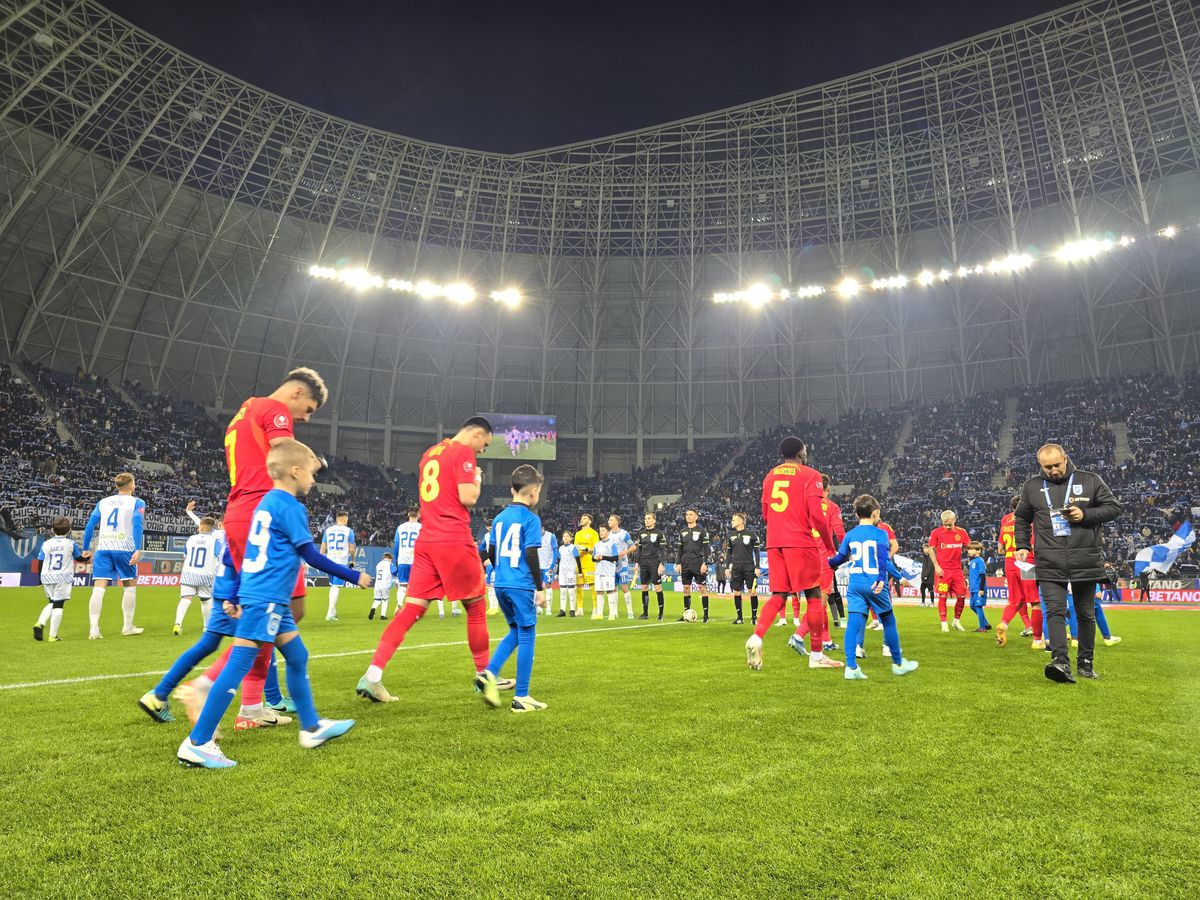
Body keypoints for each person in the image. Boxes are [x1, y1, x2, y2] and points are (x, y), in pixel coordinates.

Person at [176, 440, 369, 768]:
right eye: (310, 472)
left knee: (297, 655)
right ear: (294, 472)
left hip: (267, 598)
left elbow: (246, 554)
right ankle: (198, 742)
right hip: (267, 599)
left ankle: (311, 726)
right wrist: (353, 576)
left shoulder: (264, 503)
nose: (313, 479)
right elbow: (309, 555)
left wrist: (237, 595)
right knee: (239, 662)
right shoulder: (290, 507)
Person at [174, 368, 328, 727]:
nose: (305, 417)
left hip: (242, 514)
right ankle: (207, 685)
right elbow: (284, 455)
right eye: (308, 408)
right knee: (285, 610)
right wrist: (314, 464)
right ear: (296, 393)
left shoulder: (243, 413)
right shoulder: (273, 410)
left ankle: (251, 706)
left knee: (275, 612)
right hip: (265, 518)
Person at [357, 417, 498, 703]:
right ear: (478, 433)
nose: (483, 450)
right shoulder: (463, 452)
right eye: (485, 443)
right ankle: (485, 675)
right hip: (453, 538)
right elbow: (468, 497)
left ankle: (372, 676)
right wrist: (478, 477)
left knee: (411, 610)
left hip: (427, 540)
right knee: (476, 607)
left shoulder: (430, 454)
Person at [1014, 442, 1122, 683]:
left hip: (1085, 558)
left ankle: (1086, 663)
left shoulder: (1090, 480)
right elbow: (1021, 518)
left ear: (1065, 459)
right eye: (1047, 467)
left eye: (1056, 465)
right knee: (1054, 610)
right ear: (1040, 465)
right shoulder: (1031, 487)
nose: (1053, 470)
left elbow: (1114, 508)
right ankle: (1060, 662)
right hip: (1049, 560)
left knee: (1085, 613)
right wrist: (1021, 545)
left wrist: (1085, 515)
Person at [745, 436, 841, 670]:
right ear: (800, 453)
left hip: (774, 542)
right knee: (814, 595)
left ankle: (756, 637)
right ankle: (817, 656)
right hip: (800, 541)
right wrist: (830, 548)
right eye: (805, 451)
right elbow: (818, 517)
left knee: (779, 595)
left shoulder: (770, 476)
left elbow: (766, 513)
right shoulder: (810, 475)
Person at [477, 465, 549, 712]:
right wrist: (540, 587)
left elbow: (491, 552)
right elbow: (531, 553)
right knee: (528, 634)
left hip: (501, 583)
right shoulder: (531, 519)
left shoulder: (499, 518)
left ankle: (490, 673)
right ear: (533, 492)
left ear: (512, 490)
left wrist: (502, 573)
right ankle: (522, 697)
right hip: (521, 584)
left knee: (515, 632)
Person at [826, 494, 919, 679]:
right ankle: (898, 663)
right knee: (889, 621)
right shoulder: (881, 533)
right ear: (875, 513)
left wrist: (827, 562)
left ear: (857, 513)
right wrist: (891, 578)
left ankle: (851, 668)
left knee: (853, 625)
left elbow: (839, 559)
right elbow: (884, 561)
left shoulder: (851, 535)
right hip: (875, 583)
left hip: (855, 584)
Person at [81, 472, 145, 639]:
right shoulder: (137, 502)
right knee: (129, 586)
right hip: (125, 548)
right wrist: (137, 548)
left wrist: (86, 548)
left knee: (98, 588)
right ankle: (127, 626)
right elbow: (137, 525)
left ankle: (93, 629)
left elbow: (89, 525)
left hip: (103, 548)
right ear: (131, 485)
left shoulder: (103, 502)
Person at [996, 495, 1038, 648]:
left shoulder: (1006, 519)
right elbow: (1033, 545)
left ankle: (1004, 623)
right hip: (1027, 562)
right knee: (1035, 601)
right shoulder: (1030, 519)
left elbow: (1000, 548)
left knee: (1015, 600)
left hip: (1010, 562)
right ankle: (1038, 637)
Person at [33, 516, 83, 642]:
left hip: (47, 576)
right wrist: (87, 558)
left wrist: (40, 578)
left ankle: (40, 623)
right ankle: (53, 636)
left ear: (52, 530)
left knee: (52, 602)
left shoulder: (46, 544)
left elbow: (40, 562)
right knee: (59, 605)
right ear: (69, 530)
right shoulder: (71, 544)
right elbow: (79, 558)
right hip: (62, 576)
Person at [175, 516, 220, 635]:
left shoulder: (191, 539)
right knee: (206, 601)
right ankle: (206, 626)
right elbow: (219, 557)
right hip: (206, 575)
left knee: (185, 599)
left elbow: (185, 555)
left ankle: (177, 624)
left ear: (200, 527)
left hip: (188, 574)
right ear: (211, 529)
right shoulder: (215, 541)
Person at [928, 510, 970, 633]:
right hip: (943, 570)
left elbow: (969, 547)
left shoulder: (962, 533)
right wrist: (936, 566)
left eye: (949, 525)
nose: (947, 527)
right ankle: (944, 623)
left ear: (954, 520)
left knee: (962, 596)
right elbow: (931, 549)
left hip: (957, 570)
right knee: (942, 596)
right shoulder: (936, 533)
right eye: (945, 524)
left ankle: (956, 621)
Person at [677, 509, 712, 622]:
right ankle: (686, 614)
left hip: (698, 563)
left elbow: (706, 549)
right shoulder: (682, 532)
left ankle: (706, 615)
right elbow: (679, 549)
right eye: (687, 515)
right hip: (685, 563)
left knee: (702, 588)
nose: (688, 516)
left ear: (696, 517)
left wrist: (705, 563)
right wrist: (678, 563)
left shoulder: (702, 531)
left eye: (691, 515)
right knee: (686, 588)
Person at [724, 512, 760, 625]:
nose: (732, 521)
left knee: (752, 591)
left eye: (734, 520)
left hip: (749, 566)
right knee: (736, 592)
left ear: (741, 521)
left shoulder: (751, 535)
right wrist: (726, 567)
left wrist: (757, 567)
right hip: (736, 567)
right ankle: (739, 618)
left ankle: (754, 617)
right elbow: (729, 553)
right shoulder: (731, 536)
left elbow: (757, 552)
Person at [389, 505, 425, 617]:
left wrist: (396, 559)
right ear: (419, 515)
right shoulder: (422, 528)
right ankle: (415, 611)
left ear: (408, 514)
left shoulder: (400, 527)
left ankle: (400, 603)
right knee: (416, 587)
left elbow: (396, 546)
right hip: (416, 560)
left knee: (402, 585)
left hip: (402, 559)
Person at [321, 510, 356, 621]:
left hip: (329, 561)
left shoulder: (328, 530)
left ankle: (333, 612)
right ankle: (329, 613)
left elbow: (323, 547)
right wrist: (353, 560)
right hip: (340, 562)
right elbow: (351, 548)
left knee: (333, 586)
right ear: (345, 518)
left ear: (336, 519)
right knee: (336, 587)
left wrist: (320, 562)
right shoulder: (349, 531)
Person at [633, 512, 666, 620]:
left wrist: (662, 564)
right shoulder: (641, 533)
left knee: (657, 588)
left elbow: (663, 550)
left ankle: (660, 614)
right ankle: (645, 614)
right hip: (644, 563)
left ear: (654, 520)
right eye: (645, 518)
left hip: (655, 563)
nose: (646, 520)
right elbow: (639, 550)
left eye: (649, 518)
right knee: (644, 587)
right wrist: (637, 563)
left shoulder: (659, 533)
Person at [592, 524, 624, 620]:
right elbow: (592, 558)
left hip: (608, 572)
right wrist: (595, 557)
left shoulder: (612, 543)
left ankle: (612, 614)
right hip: (598, 572)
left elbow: (615, 557)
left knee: (610, 591)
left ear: (608, 532)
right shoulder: (597, 545)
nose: (601, 532)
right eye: (600, 530)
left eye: (603, 530)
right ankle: (599, 614)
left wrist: (603, 557)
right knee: (599, 592)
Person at [607, 514, 635, 618]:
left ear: (616, 522)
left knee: (624, 588)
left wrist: (625, 552)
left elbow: (633, 547)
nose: (608, 521)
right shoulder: (608, 535)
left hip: (622, 564)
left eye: (610, 520)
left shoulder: (624, 534)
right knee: (613, 588)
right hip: (612, 566)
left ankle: (630, 611)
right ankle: (614, 612)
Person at [574, 514, 599, 617]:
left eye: (584, 518)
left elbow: (597, 549)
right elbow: (575, 549)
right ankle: (579, 609)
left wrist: (585, 549)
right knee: (578, 587)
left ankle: (595, 608)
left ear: (590, 521)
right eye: (581, 518)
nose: (581, 520)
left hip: (590, 563)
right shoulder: (577, 534)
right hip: (579, 564)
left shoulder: (593, 533)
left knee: (593, 587)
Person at [967, 542, 991, 632]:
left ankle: (982, 628)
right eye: (969, 549)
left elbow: (982, 576)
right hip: (973, 588)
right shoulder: (972, 561)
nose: (969, 551)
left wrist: (981, 589)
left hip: (978, 588)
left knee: (978, 606)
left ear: (978, 551)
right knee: (972, 606)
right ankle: (985, 623)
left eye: (971, 549)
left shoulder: (980, 561)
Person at [555, 530, 580, 617]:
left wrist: (580, 571)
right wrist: (557, 573)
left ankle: (572, 610)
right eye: (564, 536)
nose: (565, 538)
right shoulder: (560, 548)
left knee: (571, 591)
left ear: (571, 538)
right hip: (562, 572)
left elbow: (578, 559)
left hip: (570, 572)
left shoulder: (573, 547)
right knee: (562, 591)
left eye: (567, 536)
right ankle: (562, 611)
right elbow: (559, 561)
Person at [538, 527, 559, 616]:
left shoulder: (551, 536)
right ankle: (539, 607)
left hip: (548, 566)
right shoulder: (534, 536)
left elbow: (555, 551)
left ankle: (549, 608)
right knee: (538, 587)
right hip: (538, 566)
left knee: (548, 585)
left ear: (543, 528)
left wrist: (552, 565)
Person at [372, 553, 394, 620]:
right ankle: (383, 616)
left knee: (377, 599)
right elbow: (394, 572)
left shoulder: (378, 564)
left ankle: (373, 608)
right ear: (389, 558)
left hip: (377, 584)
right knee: (385, 600)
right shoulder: (390, 564)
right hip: (385, 584)